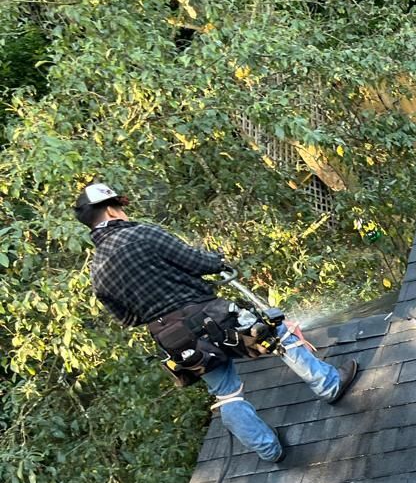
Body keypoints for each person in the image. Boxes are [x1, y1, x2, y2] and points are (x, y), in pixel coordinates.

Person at [75, 182, 359, 464]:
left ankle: (268, 450)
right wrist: (216, 261)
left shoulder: (97, 270)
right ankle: (328, 385)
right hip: (209, 315)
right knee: (275, 331)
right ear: (111, 211)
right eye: (120, 208)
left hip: (173, 339)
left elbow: (127, 318)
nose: (125, 213)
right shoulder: (142, 234)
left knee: (226, 392)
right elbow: (194, 261)